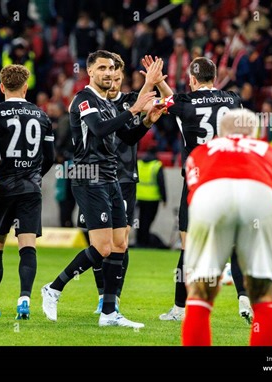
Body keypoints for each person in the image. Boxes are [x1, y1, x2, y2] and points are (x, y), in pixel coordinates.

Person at [40, 50, 164, 328]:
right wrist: (133, 110)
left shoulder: (108, 103)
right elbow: (98, 129)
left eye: (112, 68)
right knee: (103, 247)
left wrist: (146, 121)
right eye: (103, 68)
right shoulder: (84, 100)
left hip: (111, 178)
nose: (109, 73)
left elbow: (127, 135)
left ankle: (109, 312)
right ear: (91, 72)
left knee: (120, 244)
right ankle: (54, 288)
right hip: (88, 178)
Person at [143, 55, 253, 323]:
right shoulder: (233, 99)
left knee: (188, 247)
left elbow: (174, 106)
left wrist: (156, 84)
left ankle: (180, 309)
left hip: (198, 181)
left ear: (191, 79)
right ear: (213, 78)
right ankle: (244, 297)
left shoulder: (184, 102)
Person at [181, 109, 272, 346]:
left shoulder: (202, 151)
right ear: (254, 132)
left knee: (200, 292)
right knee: (263, 295)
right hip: (260, 194)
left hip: (210, 195)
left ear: (221, 132)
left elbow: (194, 190)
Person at [86, 52, 164, 314]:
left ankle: (114, 297)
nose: (114, 81)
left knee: (121, 241)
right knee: (97, 243)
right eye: (109, 74)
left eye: (118, 76)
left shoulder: (131, 101)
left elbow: (162, 103)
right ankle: (101, 295)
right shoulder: (95, 105)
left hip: (125, 178)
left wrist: (152, 83)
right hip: (96, 178)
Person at [0, 64, 54, 320]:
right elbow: (51, 157)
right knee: (27, 244)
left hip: (3, 185)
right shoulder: (42, 115)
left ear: (1, 87)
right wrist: (34, 177)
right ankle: (24, 299)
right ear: (26, 87)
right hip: (30, 189)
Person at [135, 146, 167, 248]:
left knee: (140, 220)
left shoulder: (139, 163)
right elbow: (161, 183)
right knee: (148, 221)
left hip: (139, 197)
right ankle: (144, 242)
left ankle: (139, 241)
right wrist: (164, 198)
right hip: (153, 198)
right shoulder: (156, 165)